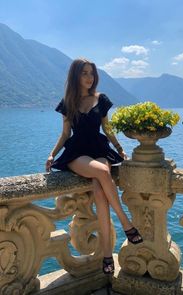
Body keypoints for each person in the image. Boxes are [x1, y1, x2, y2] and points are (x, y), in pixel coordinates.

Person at [45, 58, 143, 274]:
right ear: (76, 76)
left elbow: (107, 129)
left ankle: (107, 255)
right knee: (102, 171)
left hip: (99, 149)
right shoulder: (68, 103)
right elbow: (65, 134)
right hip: (77, 153)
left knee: (99, 190)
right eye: (84, 73)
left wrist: (120, 149)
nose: (89, 78)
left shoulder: (102, 99)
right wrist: (52, 154)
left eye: (91, 73)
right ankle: (126, 222)